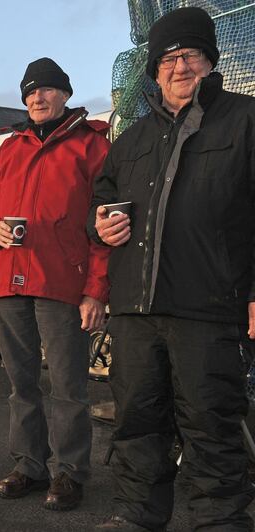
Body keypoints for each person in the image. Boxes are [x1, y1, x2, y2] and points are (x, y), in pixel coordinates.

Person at [90, 7, 255, 530]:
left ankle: (220, 521)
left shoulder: (246, 119)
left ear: (211, 60)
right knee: (137, 422)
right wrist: (101, 224)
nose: (179, 66)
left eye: (190, 55)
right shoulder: (132, 140)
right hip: (135, 310)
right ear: (154, 70)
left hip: (207, 307)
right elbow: (102, 197)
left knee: (211, 423)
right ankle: (138, 515)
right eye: (167, 58)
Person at [0, 58, 110, 512]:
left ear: (65, 94)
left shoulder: (93, 148)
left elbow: (106, 227)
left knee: (68, 387)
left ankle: (69, 473)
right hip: (9, 282)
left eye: (46, 90)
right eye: (29, 93)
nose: (37, 98)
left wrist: (96, 290)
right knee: (20, 383)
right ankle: (29, 465)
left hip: (63, 283)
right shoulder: (6, 151)